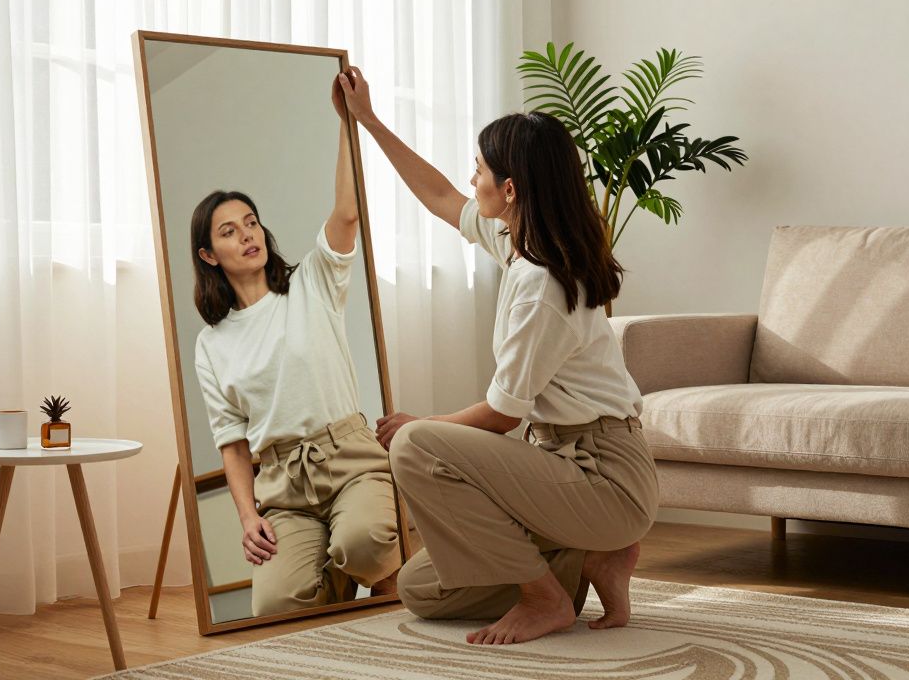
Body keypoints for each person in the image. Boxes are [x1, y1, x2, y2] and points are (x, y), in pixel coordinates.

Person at [336, 66, 658, 645]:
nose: (471, 177)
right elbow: (438, 195)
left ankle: (544, 597)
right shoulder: (517, 240)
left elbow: (504, 415)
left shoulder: (542, 282)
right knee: (423, 590)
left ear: (509, 190)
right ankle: (593, 559)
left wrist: (421, 425)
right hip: (565, 468)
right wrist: (369, 121)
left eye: (481, 168)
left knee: (414, 445)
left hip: (605, 477)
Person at [189, 75, 400, 615]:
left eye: (251, 222)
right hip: (282, 484)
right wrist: (246, 517)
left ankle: (372, 558)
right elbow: (232, 443)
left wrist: (347, 120)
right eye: (229, 231)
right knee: (275, 609)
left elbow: (347, 214)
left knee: (366, 544)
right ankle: (344, 580)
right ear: (209, 255)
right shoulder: (211, 344)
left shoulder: (313, 282)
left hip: (350, 457)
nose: (247, 235)